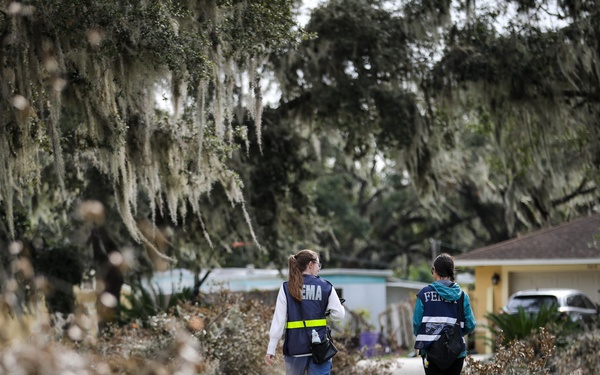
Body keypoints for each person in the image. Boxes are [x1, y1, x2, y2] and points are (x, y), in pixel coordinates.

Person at [265, 249, 345, 375]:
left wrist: (271, 349)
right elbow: (339, 315)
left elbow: (278, 321)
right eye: (318, 265)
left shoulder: (286, 287)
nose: (319, 269)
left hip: (295, 348)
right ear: (310, 265)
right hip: (320, 348)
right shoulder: (326, 286)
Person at [413, 253, 477, 375]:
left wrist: (426, 336)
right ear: (451, 272)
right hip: (456, 353)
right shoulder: (462, 296)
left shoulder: (423, 294)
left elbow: (417, 324)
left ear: (435, 271)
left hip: (430, 352)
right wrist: (455, 334)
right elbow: (471, 324)